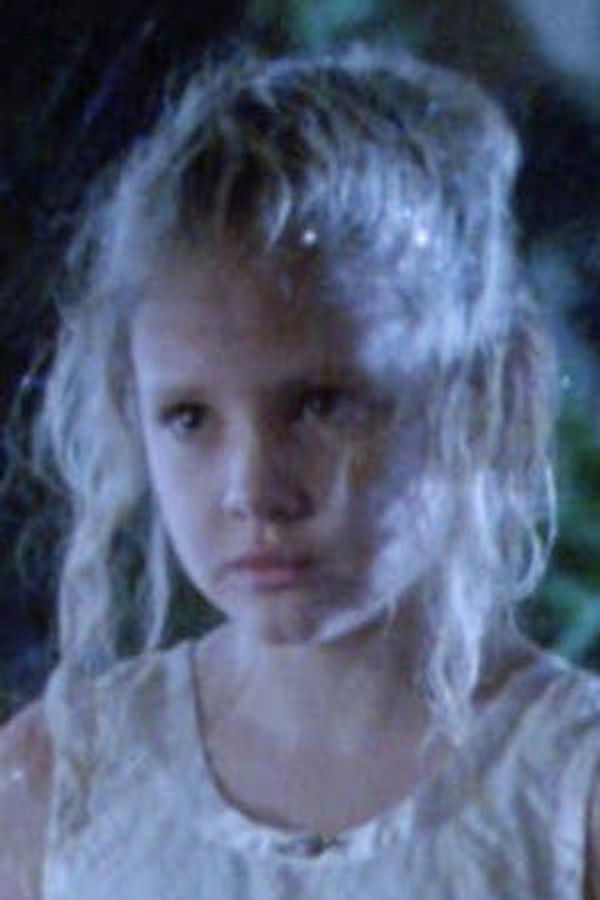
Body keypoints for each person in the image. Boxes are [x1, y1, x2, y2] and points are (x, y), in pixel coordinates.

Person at [0, 43, 599, 900]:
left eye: (322, 405)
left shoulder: (569, 794)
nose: (253, 491)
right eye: (190, 418)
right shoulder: (62, 784)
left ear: (479, 394)